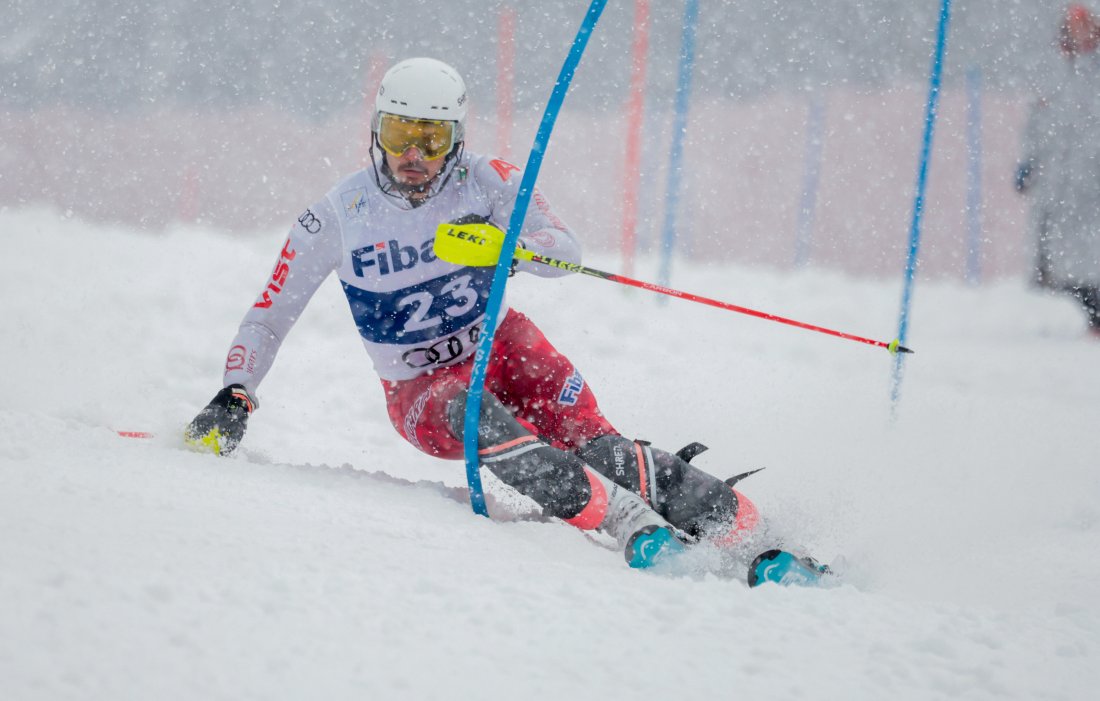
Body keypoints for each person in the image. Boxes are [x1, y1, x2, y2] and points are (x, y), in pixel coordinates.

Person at [184, 57, 770, 575]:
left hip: (506, 350)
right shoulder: (335, 217)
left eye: (432, 139)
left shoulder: (489, 180)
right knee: (470, 412)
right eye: (398, 134)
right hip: (420, 389)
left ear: (456, 139)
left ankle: (754, 536)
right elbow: (268, 315)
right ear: (375, 132)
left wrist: (507, 243)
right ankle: (626, 521)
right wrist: (235, 394)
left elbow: (565, 252)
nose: (413, 156)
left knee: (598, 448)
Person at [1016, 4, 1100, 337]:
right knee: (1066, 254)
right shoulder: (1056, 72)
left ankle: (1096, 313)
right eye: (1073, 27)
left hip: (1092, 180)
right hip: (1062, 182)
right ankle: (1087, 309)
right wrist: (1028, 162)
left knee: (1091, 251)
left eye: (1085, 26)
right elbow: (1039, 122)